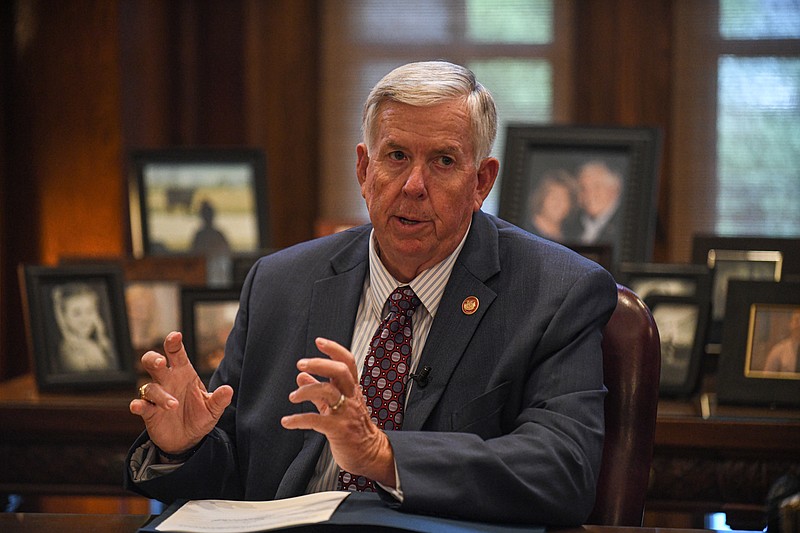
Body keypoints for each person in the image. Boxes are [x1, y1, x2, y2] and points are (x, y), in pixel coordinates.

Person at [125, 61, 617, 526]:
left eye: (443, 161)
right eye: (396, 156)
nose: (414, 185)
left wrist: (382, 455)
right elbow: (236, 471)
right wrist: (183, 448)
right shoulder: (278, 284)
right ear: (364, 170)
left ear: (481, 181)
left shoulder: (557, 292)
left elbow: (563, 469)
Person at [52, 283, 116, 373]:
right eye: (76, 313)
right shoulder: (70, 350)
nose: (85, 320)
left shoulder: (100, 343)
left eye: (89, 311)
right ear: (63, 317)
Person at [563, 160, 623, 245]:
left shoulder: (624, 225)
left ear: (614, 189)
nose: (589, 194)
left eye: (596, 186)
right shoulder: (570, 226)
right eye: (583, 188)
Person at [525, 169, 577, 241]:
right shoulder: (525, 232)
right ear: (541, 198)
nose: (559, 203)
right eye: (553, 197)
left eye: (565, 198)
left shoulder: (572, 235)